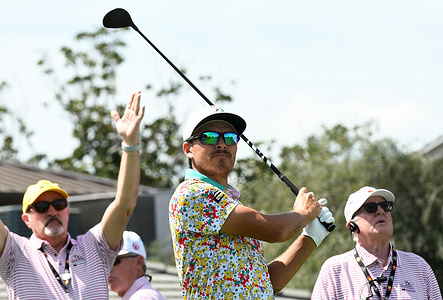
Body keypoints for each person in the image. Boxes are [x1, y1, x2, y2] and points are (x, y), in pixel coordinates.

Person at [169, 105, 335, 299]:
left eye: (230, 137)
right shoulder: (193, 194)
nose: (222, 144)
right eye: (209, 137)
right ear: (188, 149)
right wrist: (305, 213)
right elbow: (276, 231)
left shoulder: (230, 202)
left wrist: (311, 238)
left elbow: (265, 283)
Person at [0, 91, 145, 299]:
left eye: (58, 204)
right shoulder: (15, 252)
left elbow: (124, 205)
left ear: (67, 211)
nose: (52, 211)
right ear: (26, 219)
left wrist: (130, 144)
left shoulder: (95, 247)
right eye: (41, 207)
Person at [311, 186, 442, 299]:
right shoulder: (334, 270)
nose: (380, 211)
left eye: (385, 206)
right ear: (352, 226)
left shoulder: (419, 267)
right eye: (370, 208)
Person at [109, 231, 167, 300]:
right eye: (106, 262)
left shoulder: (141, 297)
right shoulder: (145, 295)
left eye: (115, 261)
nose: (109, 268)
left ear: (138, 262)